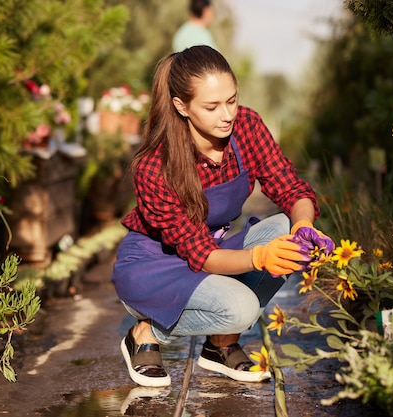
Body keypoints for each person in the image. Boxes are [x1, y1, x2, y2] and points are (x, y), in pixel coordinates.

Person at [111, 45, 332, 388]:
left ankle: (219, 347)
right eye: (212, 107)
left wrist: (303, 227)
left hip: (212, 252)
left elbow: (292, 189)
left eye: (231, 100)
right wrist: (260, 257)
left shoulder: (246, 126)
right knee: (241, 309)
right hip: (154, 265)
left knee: (285, 228)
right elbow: (202, 256)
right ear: (181, 106)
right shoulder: (155, 166)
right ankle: (145, 331)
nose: (227, 114)